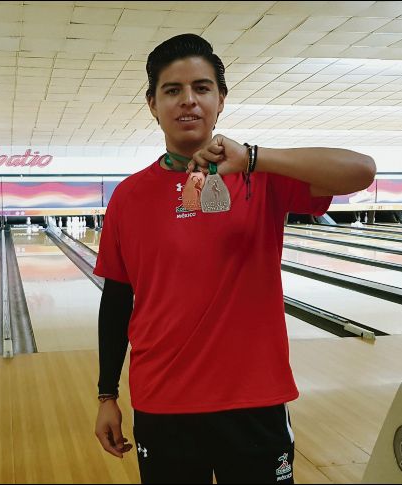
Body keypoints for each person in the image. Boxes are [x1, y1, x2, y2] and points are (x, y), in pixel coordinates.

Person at [92, 33, 376, 484]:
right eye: (172, 90)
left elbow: (362, 170)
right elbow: (117, 299)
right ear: (152, 103)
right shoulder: (128, 197)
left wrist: (256, 158)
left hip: (255, 402)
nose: (188, 101)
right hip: (164, 404)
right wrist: (107, 393)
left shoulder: (262, 178)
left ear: (221, 99)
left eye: (202, 88)